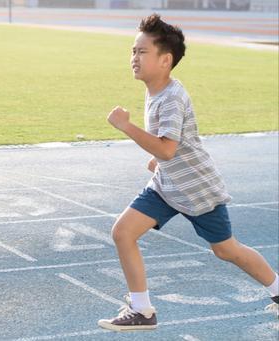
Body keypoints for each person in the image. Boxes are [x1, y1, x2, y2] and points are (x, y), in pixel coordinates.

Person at [98, 14, 279, 331]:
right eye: (133, 51)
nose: (134, 58)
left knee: (227, 250)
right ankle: (142, 310)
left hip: (197, 189)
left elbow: (167, 148)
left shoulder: (171, 97)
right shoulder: (156, 90)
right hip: (167, 186)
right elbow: (170, 150)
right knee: (123, 232)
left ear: (165, 60)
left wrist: (126, 127)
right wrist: (159, 163)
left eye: (142, 52)